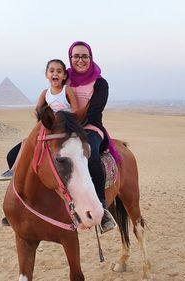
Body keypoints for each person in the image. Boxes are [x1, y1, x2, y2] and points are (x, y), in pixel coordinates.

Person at [0, 59, 77, 181]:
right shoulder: (45, 93)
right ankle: (13, 170)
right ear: (46, 74)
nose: (55, 74)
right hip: (49, 126)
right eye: (52, 71)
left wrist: (61, 117)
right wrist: (45, 115)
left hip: (64, 127)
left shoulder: (67, 90)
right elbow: (38, 109)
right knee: (26, 142)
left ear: (64, 75)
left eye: (59, 71)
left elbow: (75, 110)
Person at [66, 41, 117, 234]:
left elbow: (95, 113)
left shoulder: (100, 83)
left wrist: (69, 124)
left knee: (91, 155)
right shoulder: (64, 79)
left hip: (91, 128)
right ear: (70, 58)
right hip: (65, 128)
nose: (80, 60)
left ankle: (102, 208)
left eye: (84, 56)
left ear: (91, 58)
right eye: (76, 56)